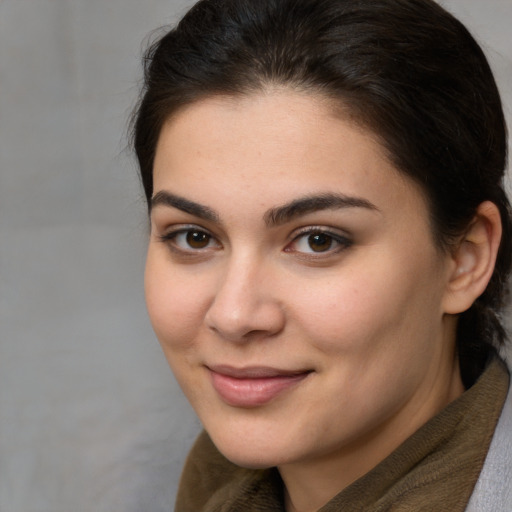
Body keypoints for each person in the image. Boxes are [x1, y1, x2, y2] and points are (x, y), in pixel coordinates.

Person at [132, 0, 512, 510]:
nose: (234, 315)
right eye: (194, 237)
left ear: (465, 259)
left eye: (318, 240)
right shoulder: (214, 491)